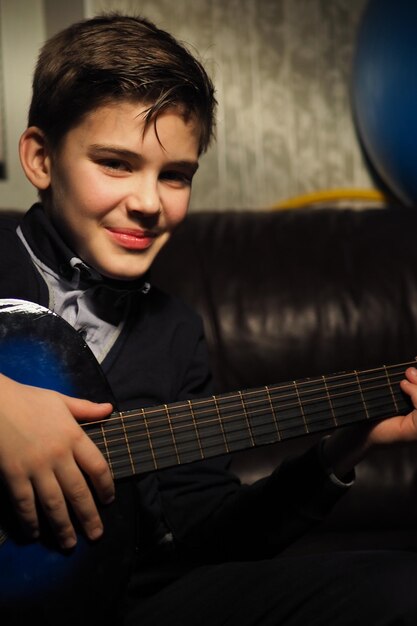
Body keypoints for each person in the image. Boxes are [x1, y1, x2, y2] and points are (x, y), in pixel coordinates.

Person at [1, 13, 417, 626]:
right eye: (115, 163)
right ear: (40, 158)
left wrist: (340, 451)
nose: (148, 203)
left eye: (175, 176)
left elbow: (214, 541)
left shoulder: (175, 334)